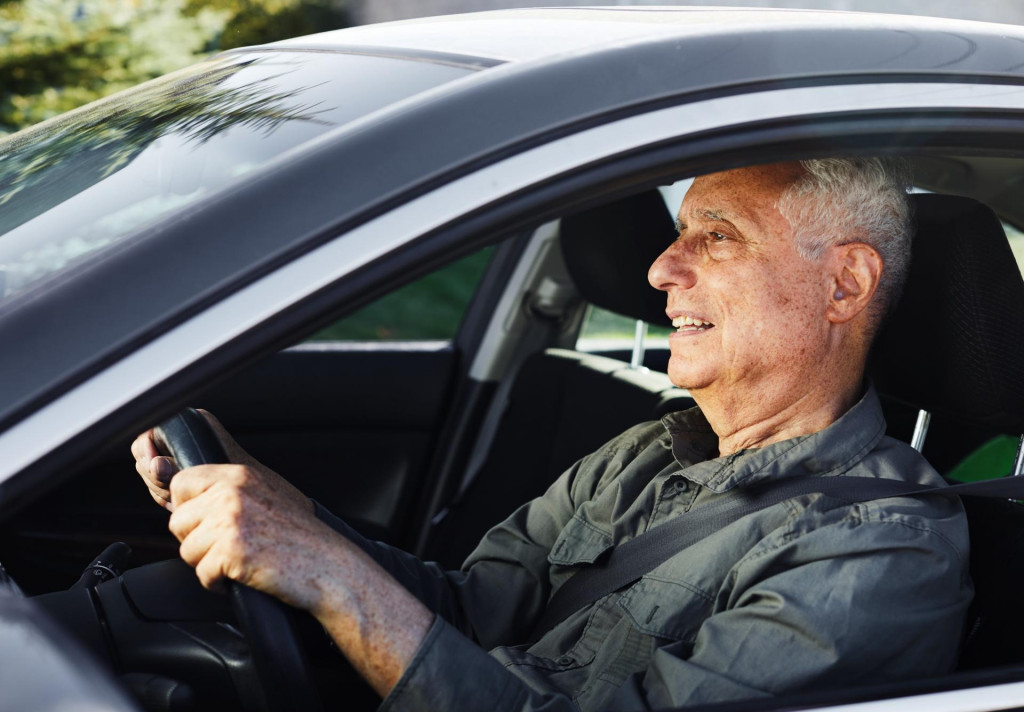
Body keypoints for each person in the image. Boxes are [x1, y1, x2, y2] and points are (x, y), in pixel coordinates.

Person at [132, 158, 972, 711]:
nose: (660, 270)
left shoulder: (884, 553)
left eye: (715, 237)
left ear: (844, 284)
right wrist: (282, 513)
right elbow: (471, 610)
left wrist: (334, 579)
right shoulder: (652, 448)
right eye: (678, 234)